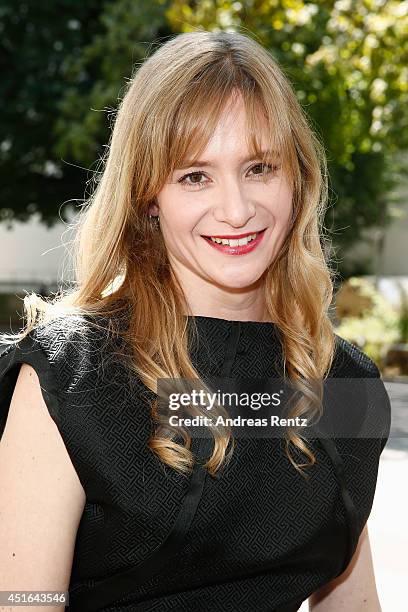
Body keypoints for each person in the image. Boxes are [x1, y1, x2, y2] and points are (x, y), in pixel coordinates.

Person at [0, 30, 391, 612]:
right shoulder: (70, 381)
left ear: (298, 179)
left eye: (260, 167)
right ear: (148, 196)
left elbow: (352, 602)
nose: (236, 209)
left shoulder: (341, 383)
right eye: (195, 176)